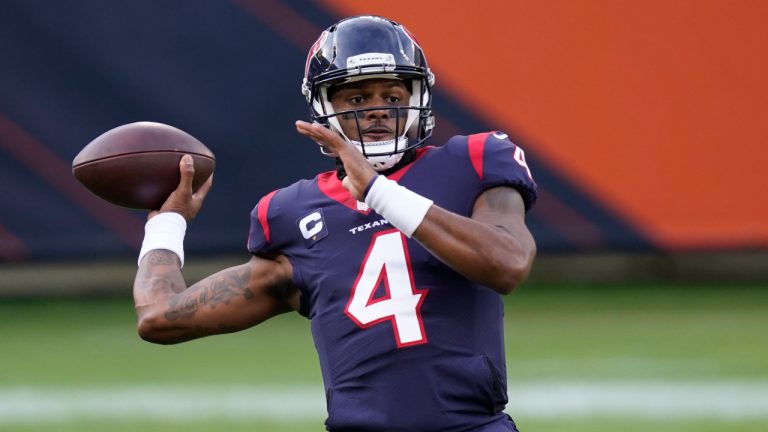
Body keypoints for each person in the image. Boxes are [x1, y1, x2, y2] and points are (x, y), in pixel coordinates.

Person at [133, 15, 537, 432]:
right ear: (325, 110)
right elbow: (159, 318)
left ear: (418, 99)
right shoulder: (293, 214)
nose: (378, 110)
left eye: (393, 96)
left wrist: (379, 191)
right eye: (357, 100)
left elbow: (507, 263)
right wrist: (166, 225)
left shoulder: (473, 161)